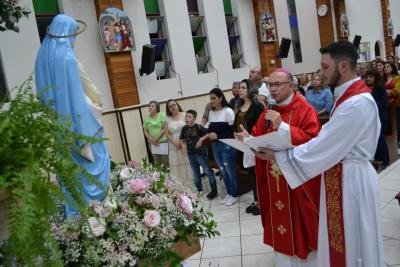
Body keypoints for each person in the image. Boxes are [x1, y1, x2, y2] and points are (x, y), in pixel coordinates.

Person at [253, 41, 385, 267]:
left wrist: (277, 156)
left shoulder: (356, 103)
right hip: (342, 176)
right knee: (347, 244)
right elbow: (327, 137)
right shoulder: (347, 98)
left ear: (343, 67)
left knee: (353, 244)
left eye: (325, 67)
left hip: (351, 182)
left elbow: (322, 145)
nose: (320, 73)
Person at [237, 68, 321, 266]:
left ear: (291, 86)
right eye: (270, 85)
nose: (272, 90)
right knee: (280, 228)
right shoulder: (267, 113)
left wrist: (282, 127)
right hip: (274, 183)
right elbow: (259, 139)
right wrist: (248, 139)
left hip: (296, 186)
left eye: (277, 85)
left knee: (301, 228)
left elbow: (313, 144)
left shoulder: (305, 110)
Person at [35, 14, 110, 216]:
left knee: (70, 173)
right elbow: (93, 91)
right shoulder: (69, 58)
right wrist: (97, 104)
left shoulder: (41, 58)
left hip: (59, 129)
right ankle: (97, 212)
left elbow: (42, 96)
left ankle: (74, 218)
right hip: (82, 126)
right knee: (96, 163)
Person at [198, 88, 238, 206]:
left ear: (220, 98)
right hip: (216, 146)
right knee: (222, 170)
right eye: (210, 98)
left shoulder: (228, 111)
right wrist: (207, 135)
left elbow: (232, 130)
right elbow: (211, 128)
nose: (212, 101)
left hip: (227, 145)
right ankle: (229, 193)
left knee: (230, 171)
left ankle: (234, 194)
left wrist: (218, 135)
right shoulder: (211, 112)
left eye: (214, 98)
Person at [233, 79, 264, 216]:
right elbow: (236, 125)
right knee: (252, 175)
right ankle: (256, 200)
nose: (240, 90)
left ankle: (262, 202)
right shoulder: (239, 108)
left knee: (259, 174)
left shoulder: (258, 106)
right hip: (244, 145)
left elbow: (262, 125)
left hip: (256, 143)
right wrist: (235, 134)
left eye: (243, 87)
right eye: (239, 88)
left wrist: (249, 135)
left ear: (250, 89)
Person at [180, 110, 218, 199]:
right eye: (186, 116)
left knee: (208, 172)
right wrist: (184, 147)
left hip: (201, 154)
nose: (187, 118)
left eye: (189, 117)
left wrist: (201, 139)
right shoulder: (184, 128)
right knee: (196, 174)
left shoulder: (198, 127)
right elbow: (182, 139)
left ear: (194, 118)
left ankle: (214, 190)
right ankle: (198, 190)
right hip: (191, 155)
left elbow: (208, 133)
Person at [165, 99, 194, 187]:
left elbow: (191, 128)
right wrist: (175, 142)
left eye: (174, 104)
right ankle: (179, 188)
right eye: (170, 106)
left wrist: (182, 141)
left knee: (187, 163)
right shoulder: (167, 119)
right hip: (173, 145)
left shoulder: (185, 114)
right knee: (176, 165)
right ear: (168, 109)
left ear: (177, 105)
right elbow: (167, 133)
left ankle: (191, 187)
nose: (173, 107)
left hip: (185, 143)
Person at [366, 69, 389, 169]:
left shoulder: (380, 89)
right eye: (368, 76)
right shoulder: (364, 88)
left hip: (380, 118)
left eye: (371, 77)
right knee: (372, 141)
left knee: (380, 140)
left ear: (376, 78)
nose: (368, 78)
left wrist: (371, 98)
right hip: (370, 118)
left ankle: (385, 161)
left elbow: (384, 104)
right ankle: (376, 161)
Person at [143, 101, 169, 170]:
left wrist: (156, 139)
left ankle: (169, 178)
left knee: (166, 161)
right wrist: (152, 140)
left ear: (157, 107)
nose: (150, 107)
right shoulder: (146, 118)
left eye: (152, 106)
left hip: (163, 141)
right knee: (157, 162)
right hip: (152, 143)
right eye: (149, 106)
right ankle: (161, 178)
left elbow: (164, 128)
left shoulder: (162, 115)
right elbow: (145, 131)